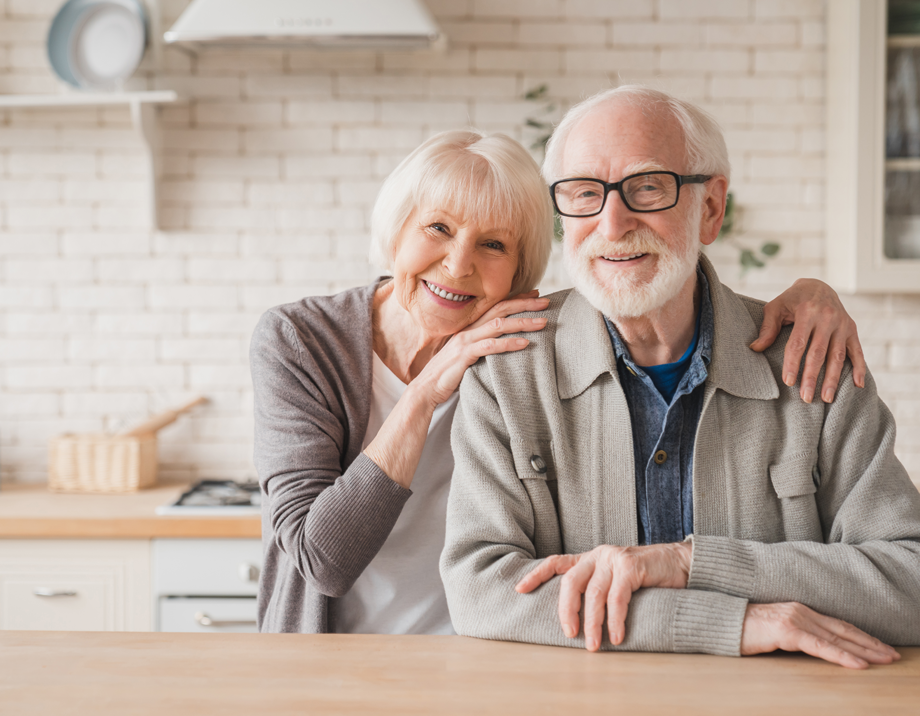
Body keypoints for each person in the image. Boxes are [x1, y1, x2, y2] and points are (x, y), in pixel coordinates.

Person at [251, 127, 866, 636]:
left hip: (490, 655)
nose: (458, 265)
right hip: (332, 657)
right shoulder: (301, 340)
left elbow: (653, 291)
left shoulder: (517, 346)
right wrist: (422, 394)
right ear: (397, 228)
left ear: (521, 276)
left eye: (492, 244)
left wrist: (816, 293)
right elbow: (320, 560)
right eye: (436, 229)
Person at [440, 86, 920, 668]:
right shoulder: (506, 370)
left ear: (711, 208)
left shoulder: (812, 365)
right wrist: (731, 621)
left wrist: (692, 563)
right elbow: (480, 593)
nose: (611, 224)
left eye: (647, 187)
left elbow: (909, 582)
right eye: (584, 193)